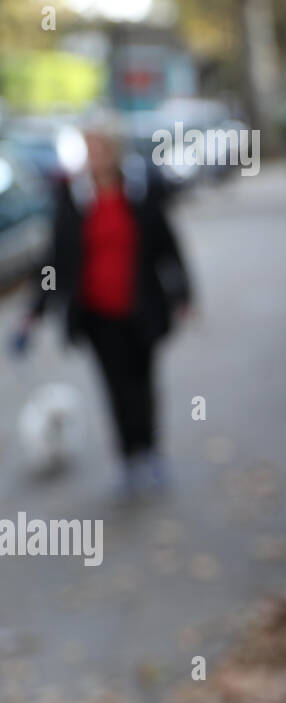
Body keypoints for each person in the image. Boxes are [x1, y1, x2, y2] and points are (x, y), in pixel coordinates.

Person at [12, 124, 192, 497]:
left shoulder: (139, 192)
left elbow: (167, 246)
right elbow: (54, 261)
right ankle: (128, 459)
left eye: (100, 149)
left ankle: (150, 452)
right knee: (116, 388)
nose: (94, 157)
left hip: (141, 308)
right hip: (97, 314)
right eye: (88, 150)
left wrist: (183, 293)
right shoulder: (74, 199)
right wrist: (34, 312)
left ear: (114, 151)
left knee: (143, 385)